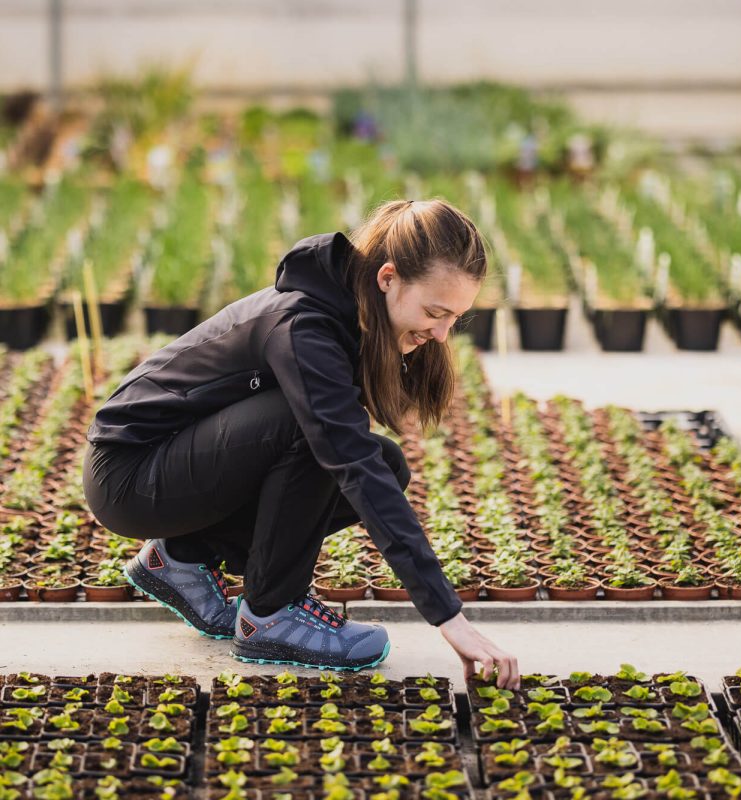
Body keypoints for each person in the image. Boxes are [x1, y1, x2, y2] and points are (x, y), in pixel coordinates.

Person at [83, 198, 520, 689]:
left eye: (454, 319)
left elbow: (364, 465)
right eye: (435, 312)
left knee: (386, 464)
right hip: (130, 474)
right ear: (387, 278)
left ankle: (183, 557)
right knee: (318, 432)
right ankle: (271, 615)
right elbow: (347, 458)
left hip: (173, 468)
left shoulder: (349, 313)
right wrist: (448, 618)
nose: (441, 335)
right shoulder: (303, 325)